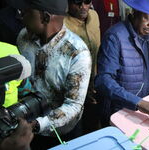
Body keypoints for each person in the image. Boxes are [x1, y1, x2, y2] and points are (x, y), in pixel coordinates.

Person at [14, 0, 92, 149]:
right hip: (25, 130)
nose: (21, 15)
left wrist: (37, 125)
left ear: (45, 17)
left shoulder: (77, 53)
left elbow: (73, 105)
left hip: (61, 134)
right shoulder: (23, 36)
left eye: (27, 11)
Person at [95, 0, 149, 127]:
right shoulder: (115, 37)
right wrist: (138, 103)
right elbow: (103, 80)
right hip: (117, 113)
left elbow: (145, 70)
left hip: (141, 111)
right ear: (135, 12)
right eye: (147, 17)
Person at [64, 0, 101, 133]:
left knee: (94, 128)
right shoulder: (61, 23)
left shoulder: (94, 17)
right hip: (73, 91)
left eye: (87, 2)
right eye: (78, 2)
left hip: (95, 86)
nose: (83, 7)